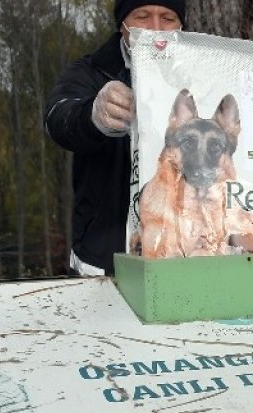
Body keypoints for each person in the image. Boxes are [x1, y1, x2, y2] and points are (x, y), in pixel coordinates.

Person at [44, 2, 186, 276]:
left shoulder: (204, 74)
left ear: (181, 25)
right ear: (122, 24)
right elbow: (57, 117)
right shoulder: (92, 71)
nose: (155, 28)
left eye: (168, 18)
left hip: (185, 255)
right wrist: (93, 115)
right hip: (103, 259)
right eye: (142, 16)